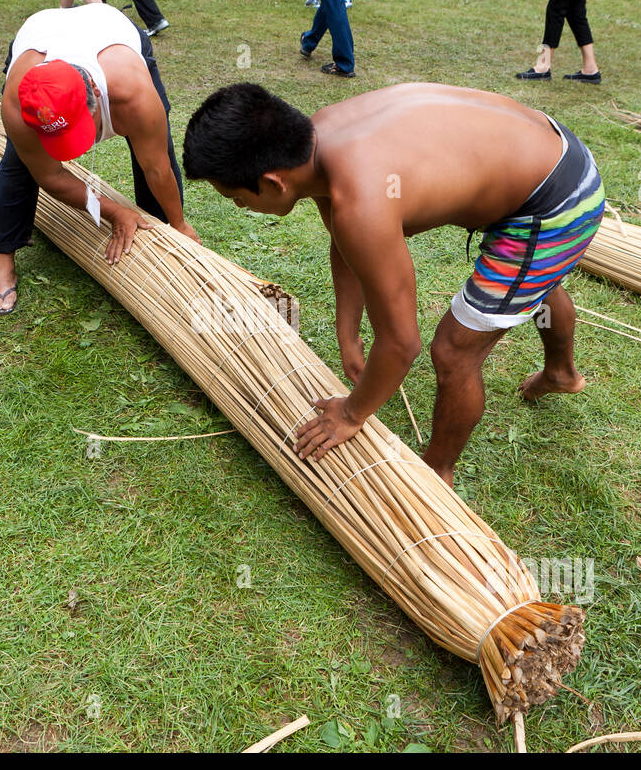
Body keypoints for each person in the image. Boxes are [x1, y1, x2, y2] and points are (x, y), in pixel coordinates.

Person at [182, 83, 605, 482]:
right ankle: (561, 373)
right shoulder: (319, 138)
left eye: (235, 197)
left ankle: (438, 471)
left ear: (273, 181)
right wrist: (347, 333)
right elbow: (346, 243)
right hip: (553, 152)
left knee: (455, 350)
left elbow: (402, 344)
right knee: (536, 278)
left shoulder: (361, 199)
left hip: (556, 203)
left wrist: (350, 413)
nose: (239, 206)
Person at [0, 3, 200, 313]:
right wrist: (115, 212)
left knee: (154, 150)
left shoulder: (134, 93)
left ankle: (165, 235)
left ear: (96, 95)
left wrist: (179, 224)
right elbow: (50, 177)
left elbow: (157, 167)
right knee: (17, 162)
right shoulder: (19, 103)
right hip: (40, 33)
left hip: (108, 28)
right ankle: (3, 257)